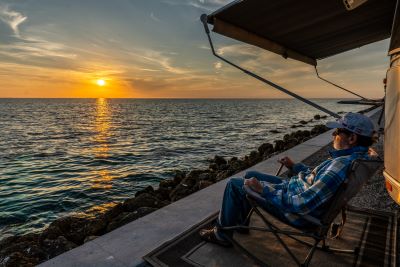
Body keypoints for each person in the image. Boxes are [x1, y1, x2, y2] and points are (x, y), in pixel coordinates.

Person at [199, 112, 376, 247]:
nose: (333, 135)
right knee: (249, 175)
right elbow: (318, 179)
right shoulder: (353, 159)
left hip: (299, 214)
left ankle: (222, 234)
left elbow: (303, 203)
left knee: (234, 184)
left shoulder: (340, 165)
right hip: (294, 189)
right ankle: (241, 225)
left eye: (337, 131)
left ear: (351, 138)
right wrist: (295, 167)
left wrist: (264, 190)